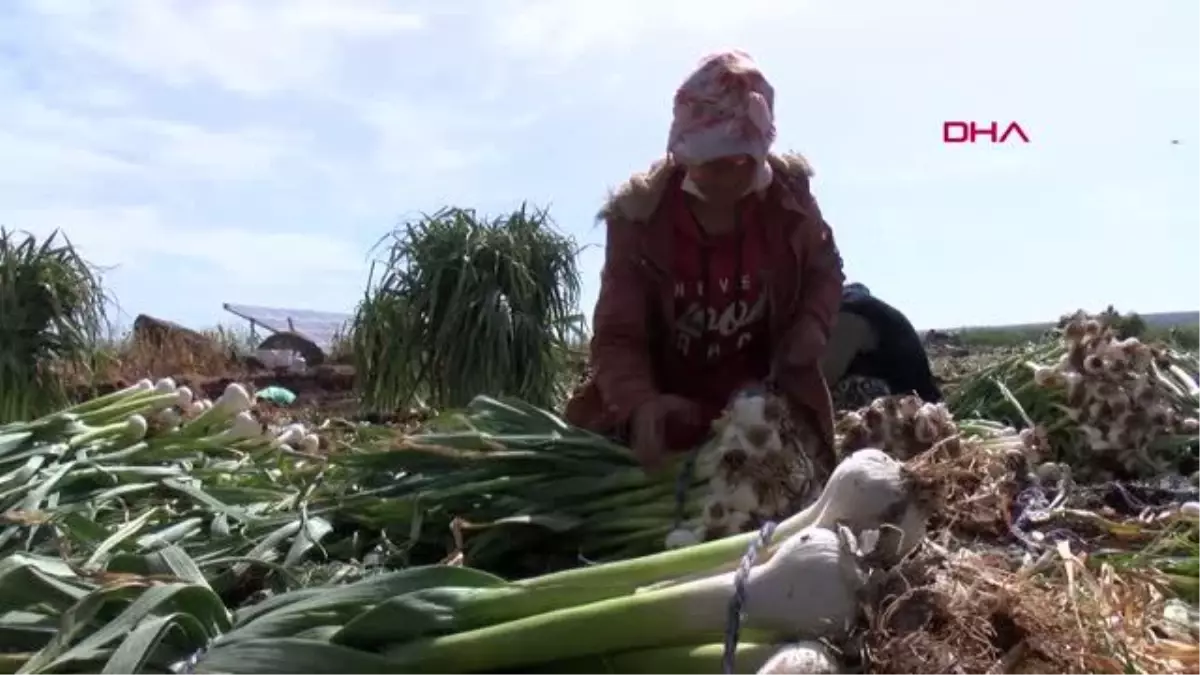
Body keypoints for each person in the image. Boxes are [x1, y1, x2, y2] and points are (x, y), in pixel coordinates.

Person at [564, 50, 845, 477]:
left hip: (764, 410)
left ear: (756, 154)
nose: (721, 176)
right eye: (708, 162)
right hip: (671, 405)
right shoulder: (639, 218)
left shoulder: (789, 201)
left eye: (734, 162)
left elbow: (825, 269)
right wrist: (639, 404)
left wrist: (810, 329)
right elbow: (619, 334)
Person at [820, 283, 943, 410]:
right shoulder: (864, 306)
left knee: (839, 388)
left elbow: (824, 377)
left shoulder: (850, 313)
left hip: (912, 408)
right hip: (914, 396)